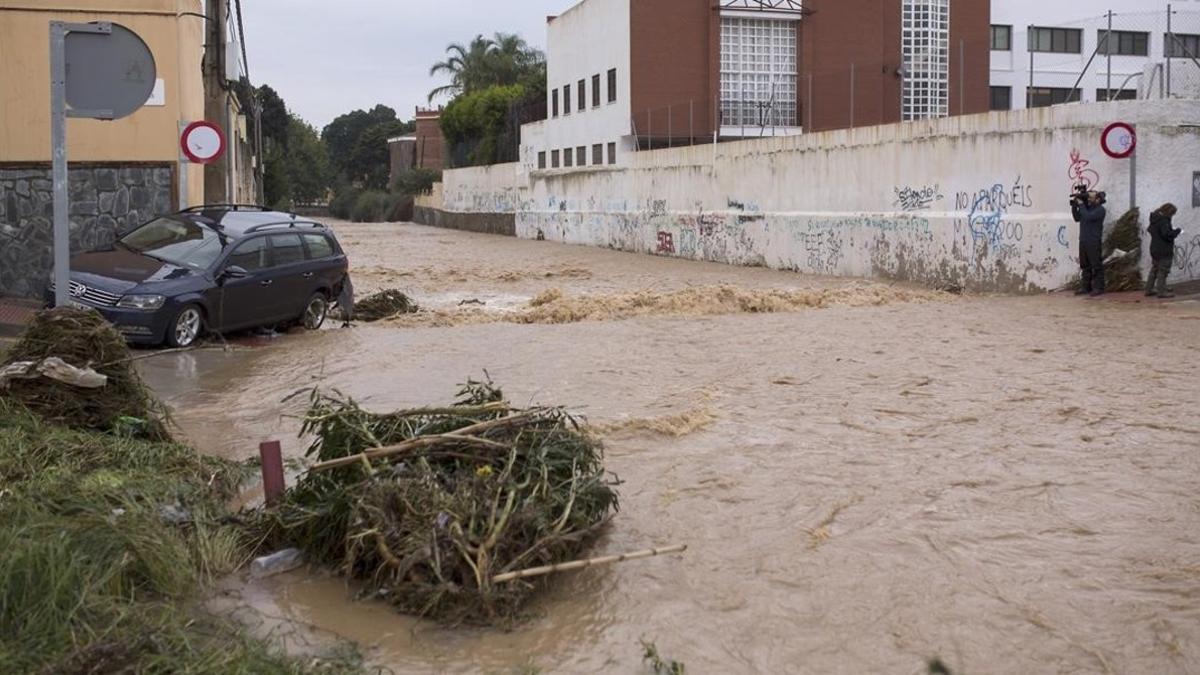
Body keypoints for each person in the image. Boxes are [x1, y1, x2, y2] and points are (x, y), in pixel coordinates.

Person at [1071, 189, 1107, 296]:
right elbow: (1077, 218)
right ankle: (1086, 287)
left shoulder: (1100, 210)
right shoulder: (1086, 208)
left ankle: (1098, 287)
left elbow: (1088, 216)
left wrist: (1081, 205)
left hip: (1093, 241)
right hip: (1083, 240)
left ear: (1098, 199)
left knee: (1096, 265)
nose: (1090, 199)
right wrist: (1074, 206)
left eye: (1092, 197)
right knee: (1085, 265)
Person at [1146, 203, 1182, 298]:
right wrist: (1176, 232)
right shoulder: (1164, 221)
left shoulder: (1154, 219)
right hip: (1164, 249)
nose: (1172, 216)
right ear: (1169, 212)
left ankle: (1148, 289)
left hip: (1154, 248)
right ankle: (1161, 292)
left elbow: (1151, 230)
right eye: (1172, 214)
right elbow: (1166, 235)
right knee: (1163, 271)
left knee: (1154, 269)